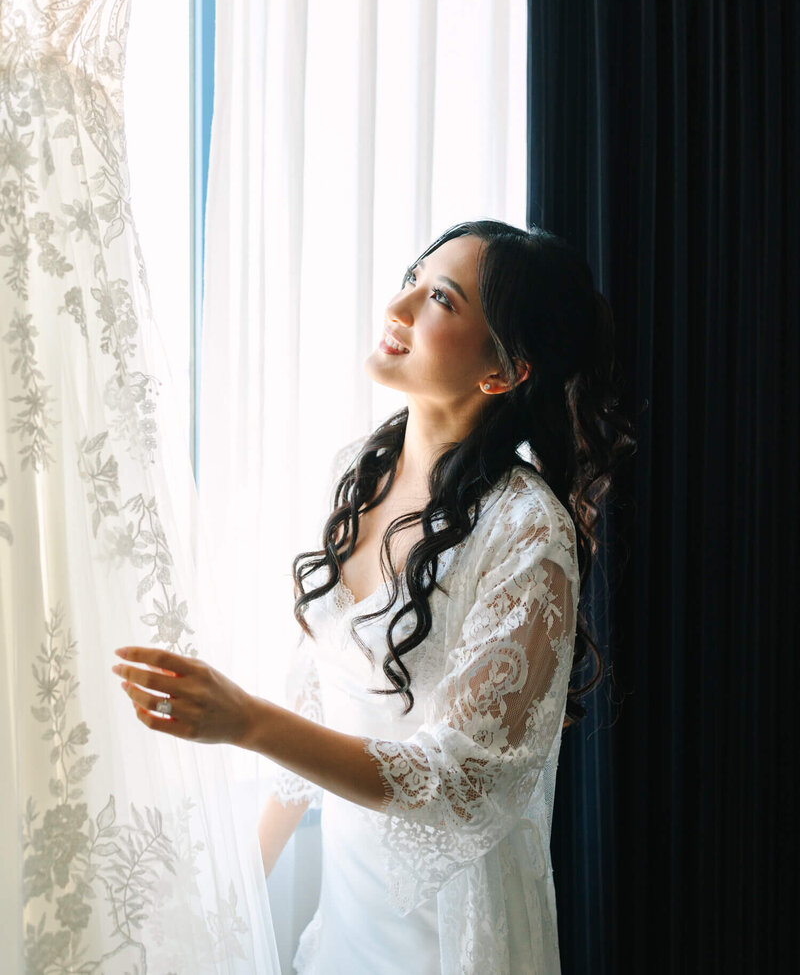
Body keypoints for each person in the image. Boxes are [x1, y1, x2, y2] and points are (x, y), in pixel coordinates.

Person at [112, 219, 638, 974]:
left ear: (502, 372)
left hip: (450, 939)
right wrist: (233, 905)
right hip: (347, 925)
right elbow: (318, 698)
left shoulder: (528, 532)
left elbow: (458, 781)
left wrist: (244, 721)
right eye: (411, 278)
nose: (398, 306)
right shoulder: (358, 471)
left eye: (440, 300)